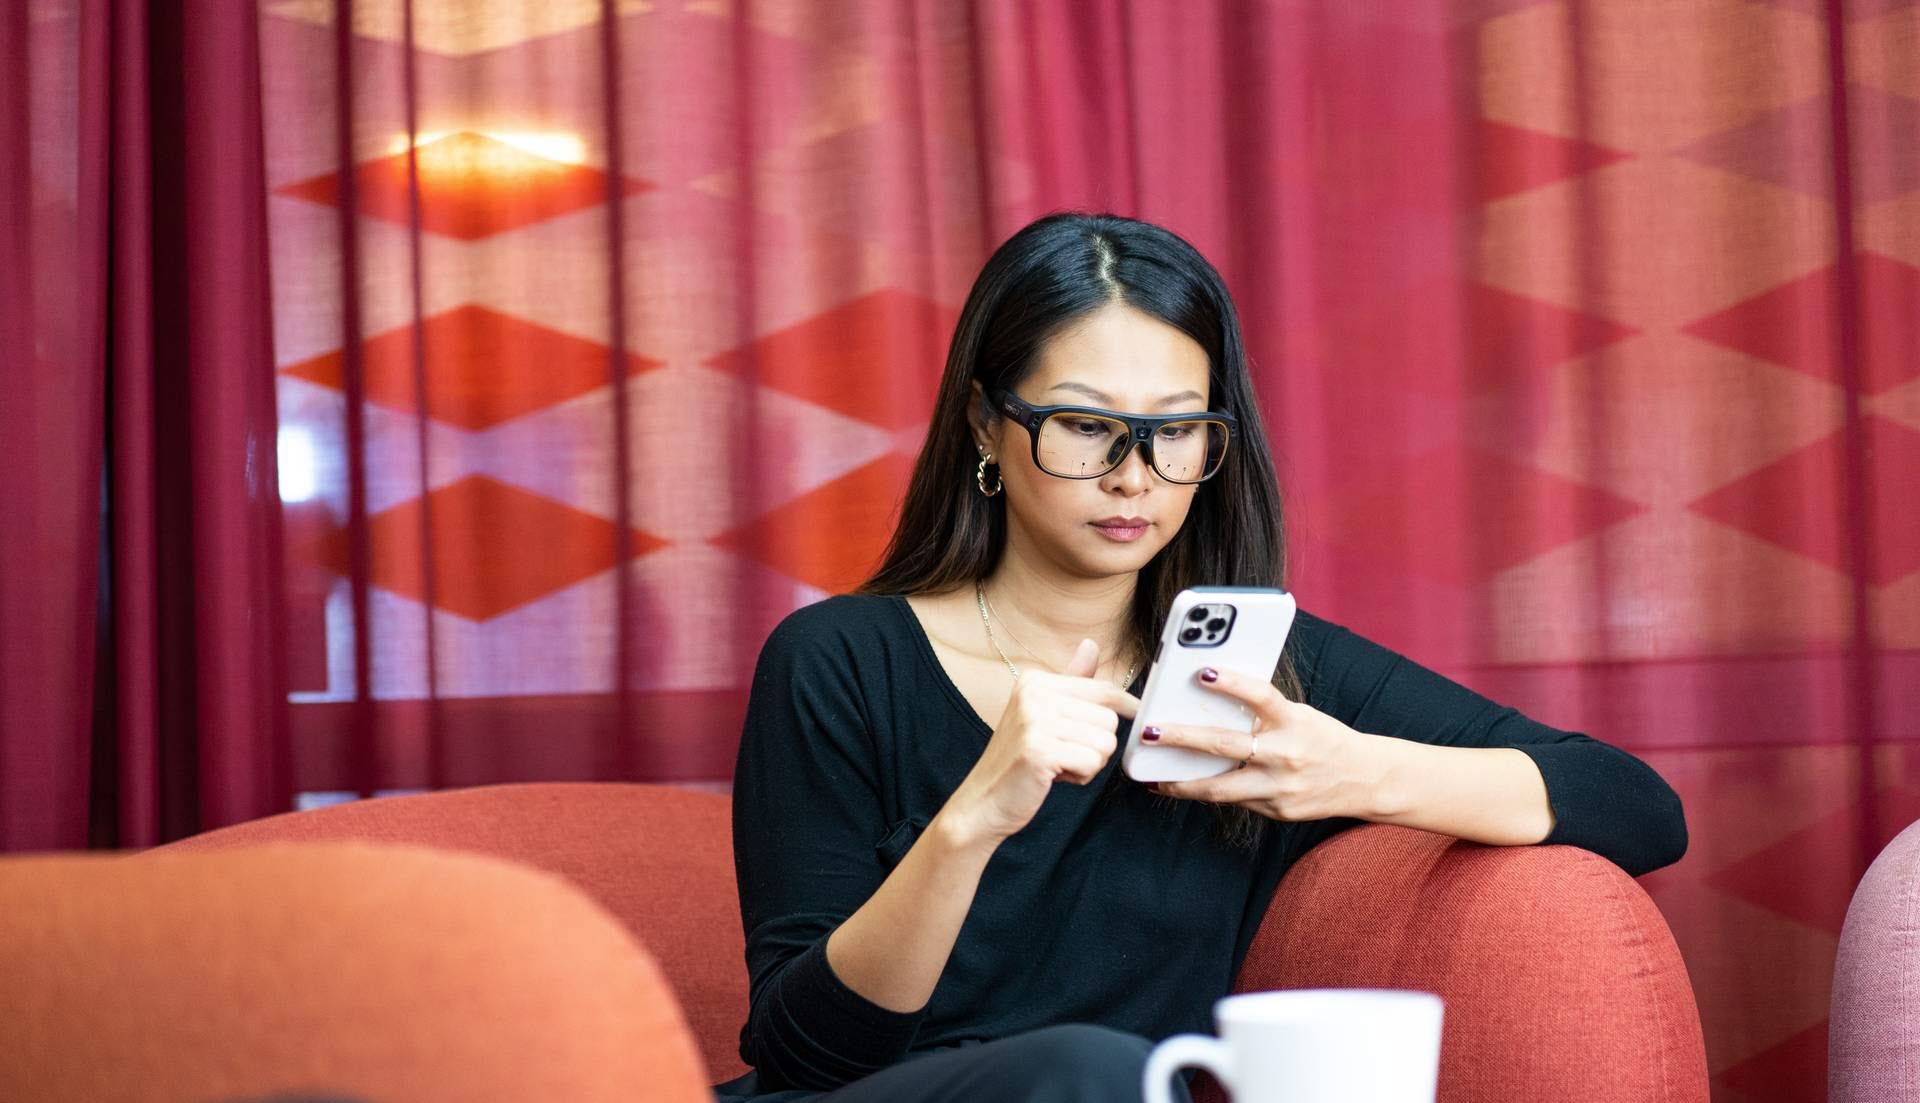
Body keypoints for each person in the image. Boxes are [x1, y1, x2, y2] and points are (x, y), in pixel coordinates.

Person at [712, 212, 1687, 1103]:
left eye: (1177, 429)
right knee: (1092, 1066)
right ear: (983, 423)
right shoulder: (838, 659)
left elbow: (1635, 804)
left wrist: (1352, 769)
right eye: (1086, 425)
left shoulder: (1263, 680)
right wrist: (971, 821)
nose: (1135, 473)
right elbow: (809, 1057)